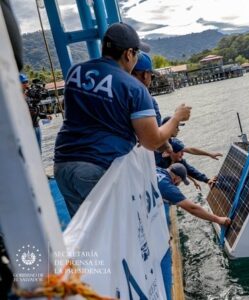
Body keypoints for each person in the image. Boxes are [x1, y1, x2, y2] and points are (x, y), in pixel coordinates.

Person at [53, 22, 191, 217]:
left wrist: (166, 147)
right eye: (136, 53)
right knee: (116, 232)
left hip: (63, 165)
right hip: (97, 169)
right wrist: (177, 117)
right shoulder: (134, 88)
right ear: (128, 54)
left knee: (86, 232)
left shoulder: (76, 73)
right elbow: (151, 141)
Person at [157, 163, 230, 226]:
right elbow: (192, 208)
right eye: (180, 182)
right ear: (177, 178)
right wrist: (219, 220)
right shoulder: (169, 188)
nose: (177, 185)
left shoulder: (157, 169)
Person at [20, 73, 52, 153]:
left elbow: (35, 109)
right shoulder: (16, 97)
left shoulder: (29, 95)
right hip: (27, 128)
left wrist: (44, 116)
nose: (26, 84)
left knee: (39, 151)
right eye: (23, 82)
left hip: (36, 126)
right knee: (31, 152)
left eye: (26, 81)